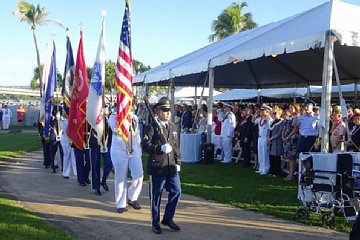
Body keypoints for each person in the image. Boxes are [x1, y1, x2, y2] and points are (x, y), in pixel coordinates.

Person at [142, 97, 181, 234]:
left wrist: (178, 162)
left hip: (171, 166)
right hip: (158, 166)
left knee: (176, 191)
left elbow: (176, 147)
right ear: (157, 111)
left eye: (168, 110)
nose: (167, 112)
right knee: (156, 197)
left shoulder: (173, 126)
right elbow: (145, 146)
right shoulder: (151, 127)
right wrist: (159, 149)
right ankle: (155, 223)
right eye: (164, 110)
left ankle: (168, 218)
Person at [109, 111, 143, 213]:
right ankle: (120, 204)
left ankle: (132, 197)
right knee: (120, 177)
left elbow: (137, 134)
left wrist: (139, 149)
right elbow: (115, 129)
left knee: (139, 174)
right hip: (119, 149)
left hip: (133, 148)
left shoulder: (134, 117)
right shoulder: (113, 117)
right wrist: (123, 119)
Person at [256, 104, 272, 175]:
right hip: (259, 138)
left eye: (263, 111)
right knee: (260, 154)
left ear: (267, 111)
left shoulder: (269, 120)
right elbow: (253, 121)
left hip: (265, 137)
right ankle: (261, 168)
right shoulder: (260, 119)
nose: (261, 112)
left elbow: (270, 129)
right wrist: (256, 114)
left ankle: (266, 168)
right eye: (261, 111)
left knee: (265, 153)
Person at [268, 105, 284, 176]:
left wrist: (272, 138)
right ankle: (272, 171)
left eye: (275, 113)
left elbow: (279, 133)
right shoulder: (273, 122)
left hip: (277, 141)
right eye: (273, 113)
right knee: (272, 156)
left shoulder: (281, 122)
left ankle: (277, 172)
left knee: (276, 157)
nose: (274, 115)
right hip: (271, 140)